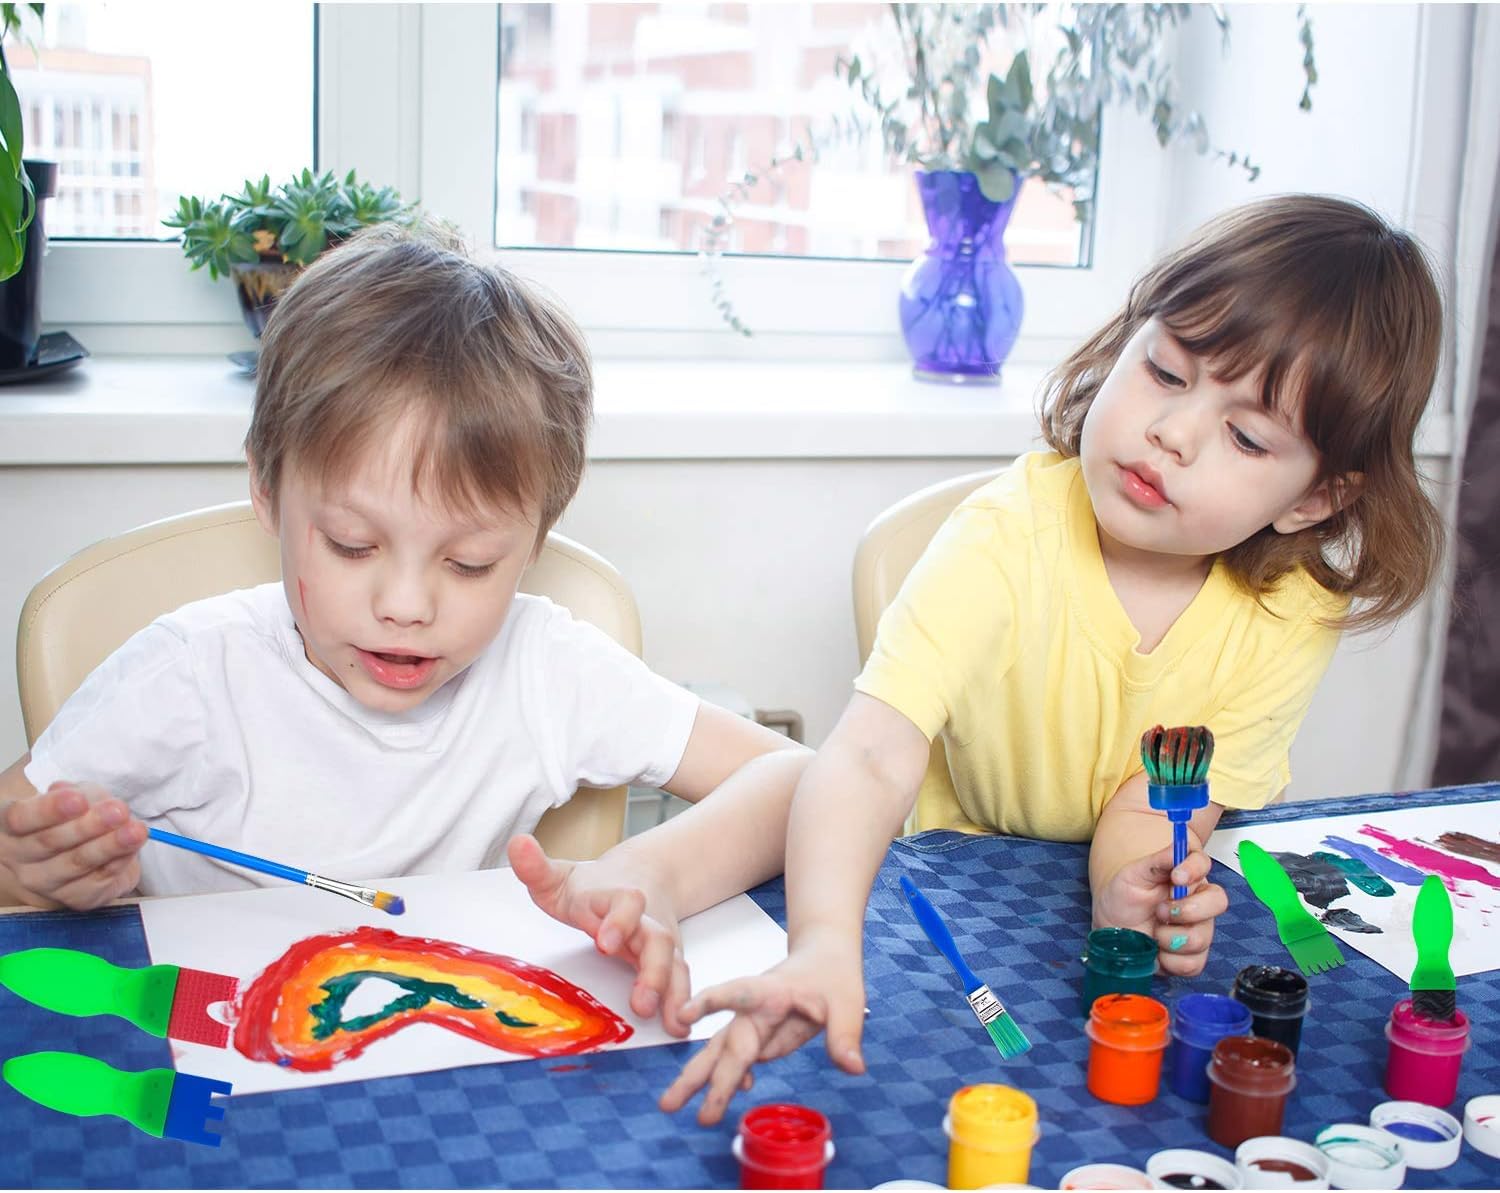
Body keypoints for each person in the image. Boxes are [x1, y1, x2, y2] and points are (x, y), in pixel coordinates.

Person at [658, 194, 1446, 1123]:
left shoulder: (1291, 615)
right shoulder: (1003, 538)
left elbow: (1152, 803)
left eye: (1244, 435)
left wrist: (1130, 892)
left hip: (1066, 941)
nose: (1174, 432)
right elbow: (869, 753)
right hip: (951, 894)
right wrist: (823, 943)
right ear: (1125, 341)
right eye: (1163, 370)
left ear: (1315, 500)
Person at [0, 220, 808, 1035]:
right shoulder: (188, 675)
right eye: (354, 545)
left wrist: (653, 870)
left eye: (470, 564)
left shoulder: (543, 667)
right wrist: (31, 873)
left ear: (534, 541)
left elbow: (802, 780)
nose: (408, 604)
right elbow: (10, 838)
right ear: (270, 493)